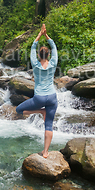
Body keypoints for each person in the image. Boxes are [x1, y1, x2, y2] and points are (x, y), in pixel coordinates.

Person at [16, 23, 58, 158]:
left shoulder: (35, 64)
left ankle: (40, 111)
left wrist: (39, 35)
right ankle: (45, 152)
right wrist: (46, 35)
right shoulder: (53, 63)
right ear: (49, 55)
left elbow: (33, 46)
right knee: (49, 125)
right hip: (52, 96)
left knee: (18, 110)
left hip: (39, 98)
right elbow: (54, 47)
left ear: (39, 55)